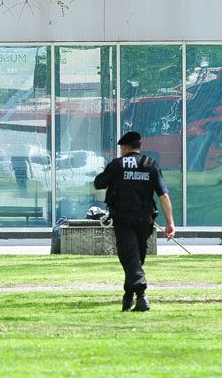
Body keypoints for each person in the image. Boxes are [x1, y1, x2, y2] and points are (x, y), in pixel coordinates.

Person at [94, 131, 175, 312]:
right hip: (145, 220)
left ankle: (141, 295)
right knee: (136, 257)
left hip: (123, 218)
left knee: (130, 257)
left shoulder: (117, 165)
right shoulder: (150, 164)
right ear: (139, 147)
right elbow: (163, 194)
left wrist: (105, 173)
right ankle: (129, 296)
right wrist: (170, 223)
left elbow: (99, 183)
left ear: (124, 147)